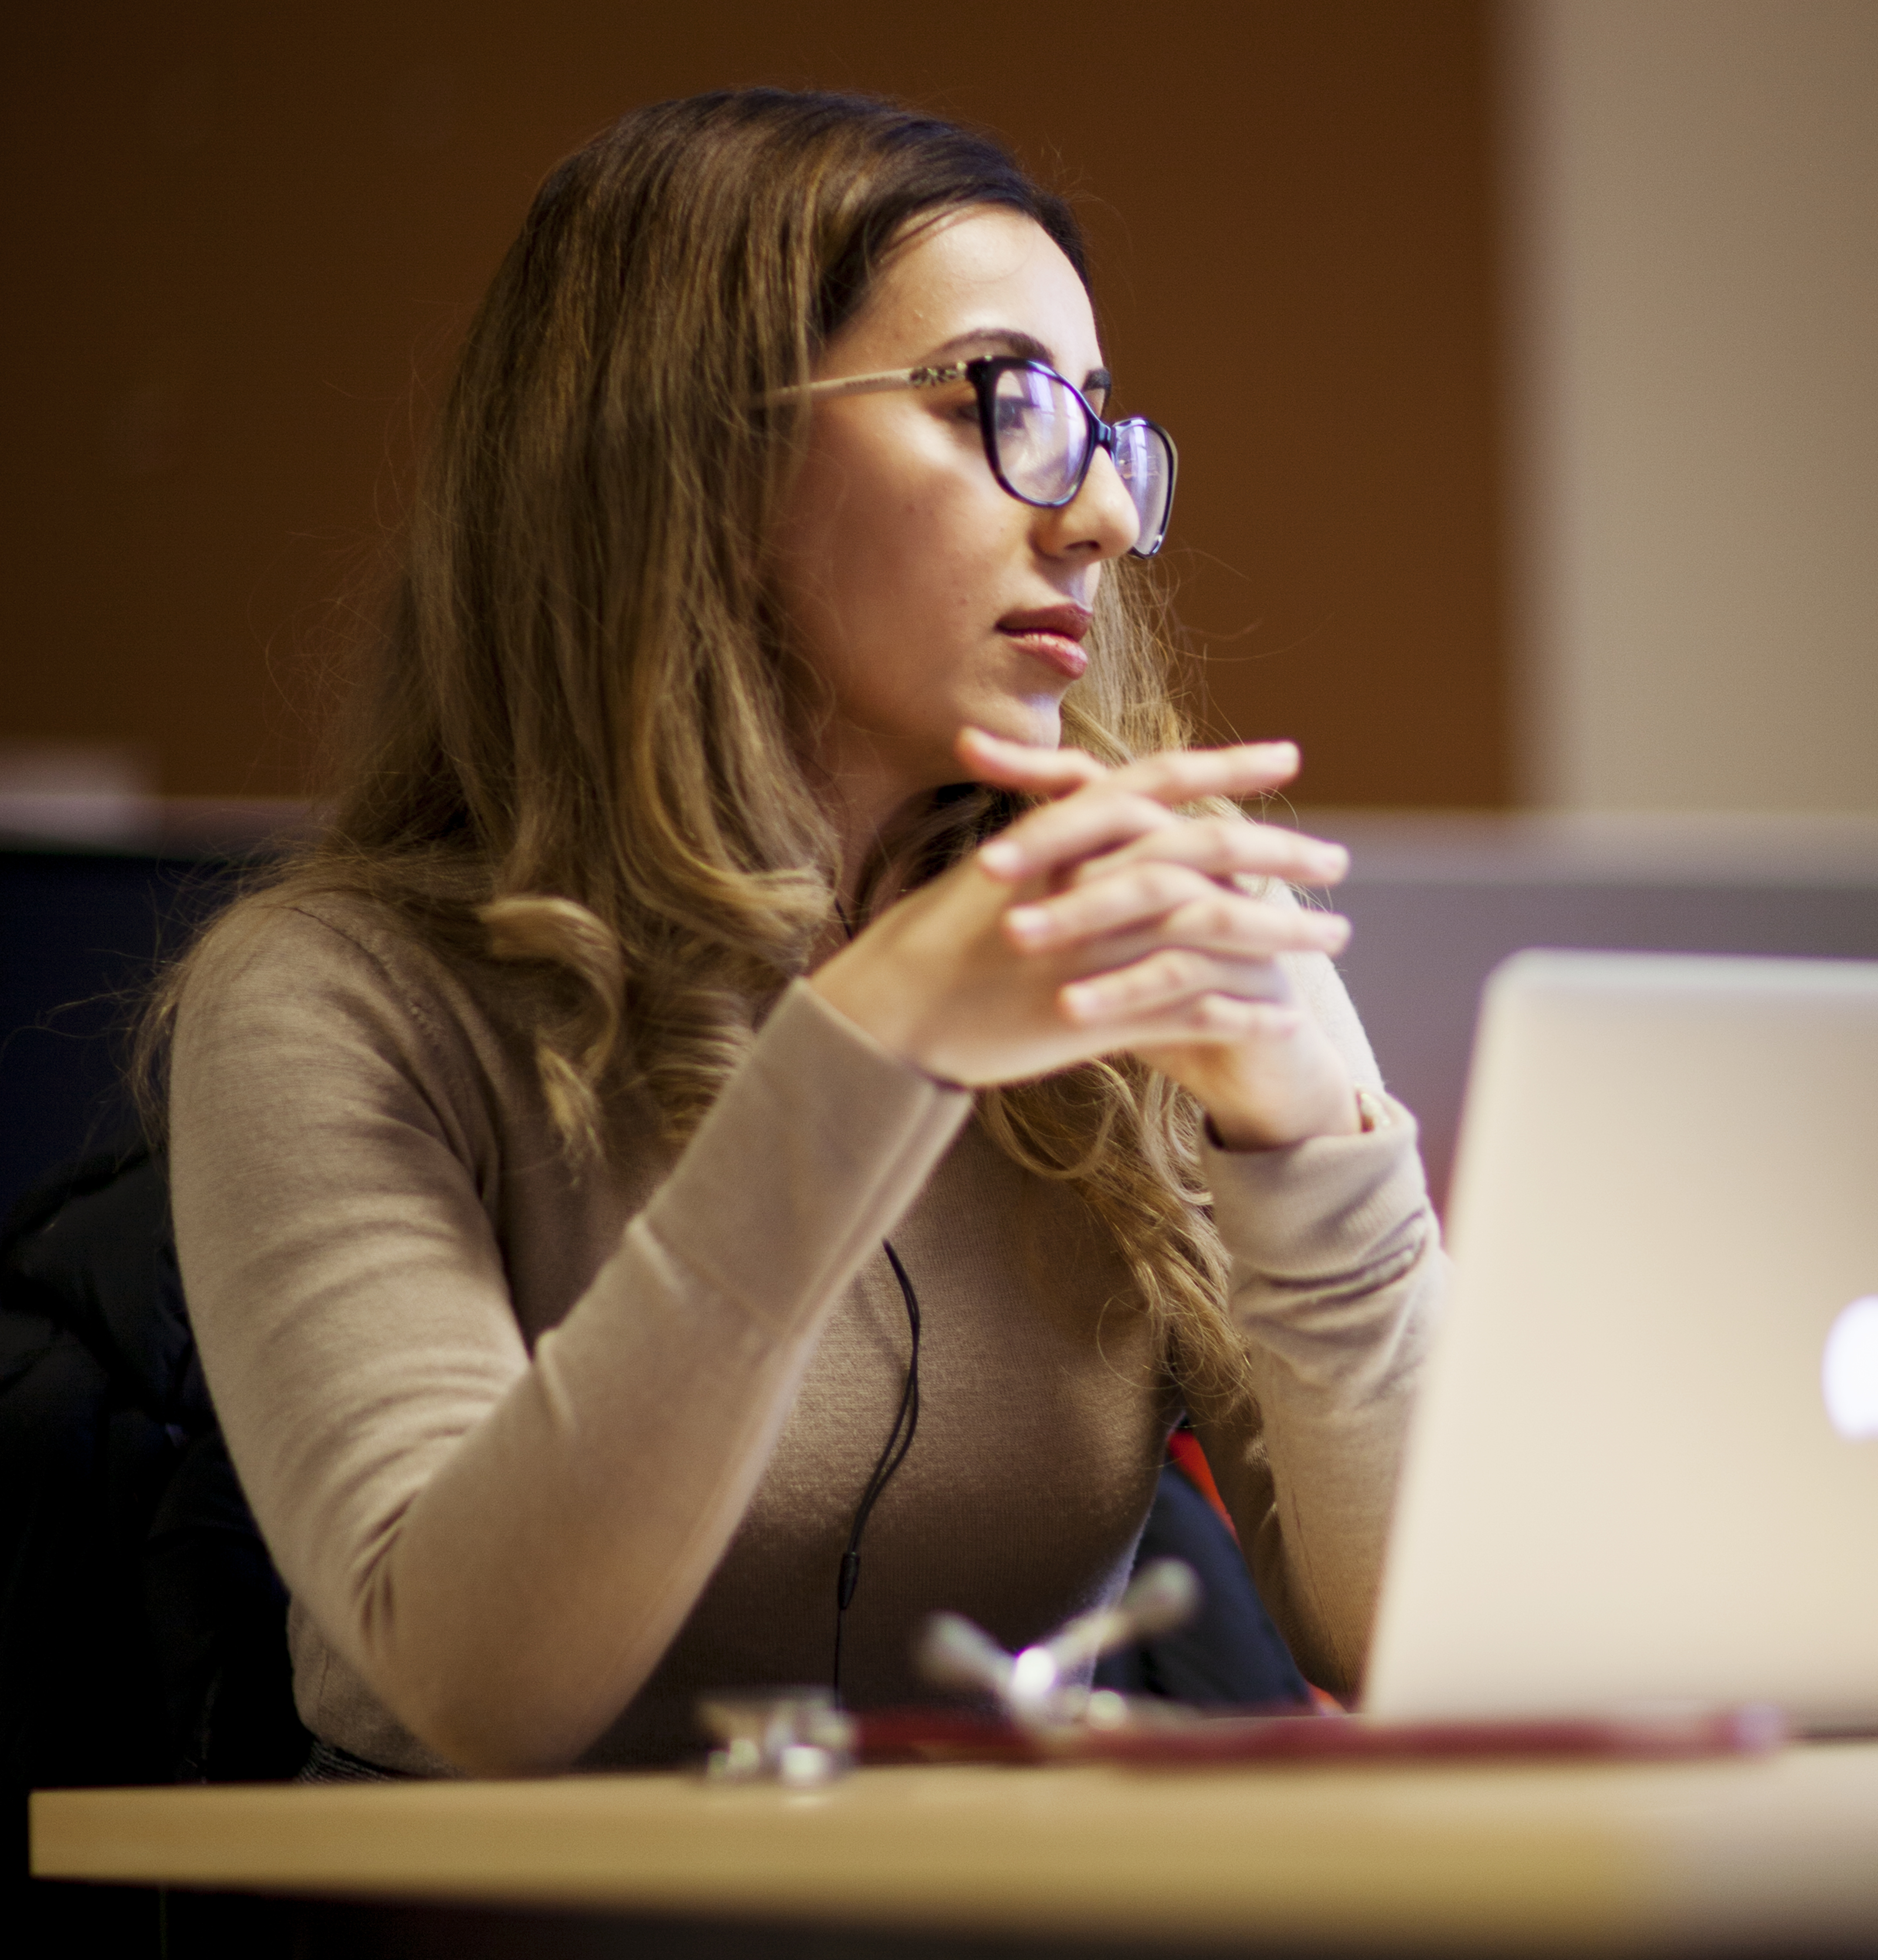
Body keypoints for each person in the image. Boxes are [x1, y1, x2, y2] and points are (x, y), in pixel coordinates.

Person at [152, 88, 1444, 1780]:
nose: (1105, 519)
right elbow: (479, 1691)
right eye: (1009, 403)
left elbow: (1427, 1637)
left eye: (1105, 432)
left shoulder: (1126, 962)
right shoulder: (333, 1001)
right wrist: (864, 1059)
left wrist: (1309, 1143)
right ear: (690, 441)